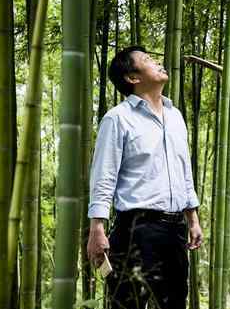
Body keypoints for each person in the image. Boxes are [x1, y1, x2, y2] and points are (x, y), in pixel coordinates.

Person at [86, 46, 203, 309]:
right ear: (132, 78)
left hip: (175, 231)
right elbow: (104, 177)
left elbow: (184, 171)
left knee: (174, 303)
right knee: (129, 303)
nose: (159, 62)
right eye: (148, 60)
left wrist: (192, 219)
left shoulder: (175, 116)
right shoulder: (117, 119)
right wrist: (97, 229)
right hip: (136, 230)